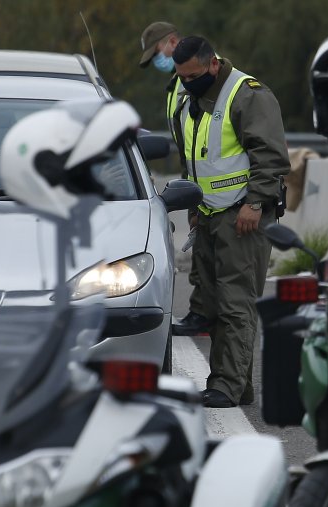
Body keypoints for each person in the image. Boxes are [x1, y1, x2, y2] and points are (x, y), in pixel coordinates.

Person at [170, 36, 291, 407]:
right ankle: (237, 385)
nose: (186, 84)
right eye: (181, 78)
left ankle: (226, 384)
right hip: (208, 214)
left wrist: (255, 204)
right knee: (216, 304)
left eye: (192, 76)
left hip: (243, 215)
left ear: (212, 64)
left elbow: (271, 157)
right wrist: (193, 202)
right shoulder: (192, 97)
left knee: (236, 303)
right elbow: (195, 157)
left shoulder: (247, 94)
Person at [138, 21, 211, 336]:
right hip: (196, 176)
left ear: (171, 42)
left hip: (213, 179)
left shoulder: (202, 75)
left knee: (212, 256)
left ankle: (206, 315)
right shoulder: (177, 83)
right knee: (205, 253)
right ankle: (204, 313)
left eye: (157, 53)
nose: (158, 61)